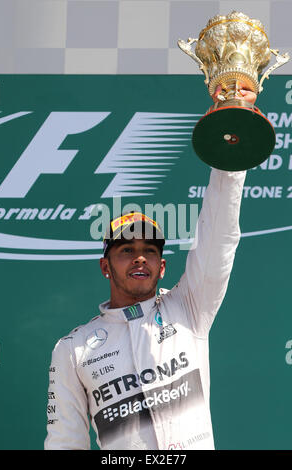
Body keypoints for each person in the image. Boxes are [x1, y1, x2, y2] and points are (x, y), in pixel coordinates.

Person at [44, 87, 257, 450]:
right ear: (105, 266)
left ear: (162, 267)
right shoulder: (73, 349)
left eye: (149, 251)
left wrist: (229, 149)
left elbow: (218, 236)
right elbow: (65, 441)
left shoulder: (188, 308)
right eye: (126, 249)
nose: (140, 257)